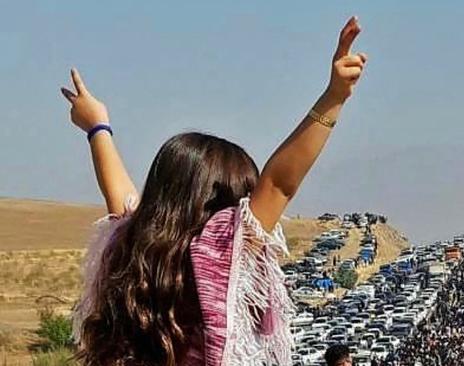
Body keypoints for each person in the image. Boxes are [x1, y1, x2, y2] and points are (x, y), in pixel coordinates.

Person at [62, 16, 368, 366]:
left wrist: (98, 126)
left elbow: (120, 198)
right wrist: (334, 97)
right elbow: (281, 184)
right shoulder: (221, 251)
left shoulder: (131, 254)